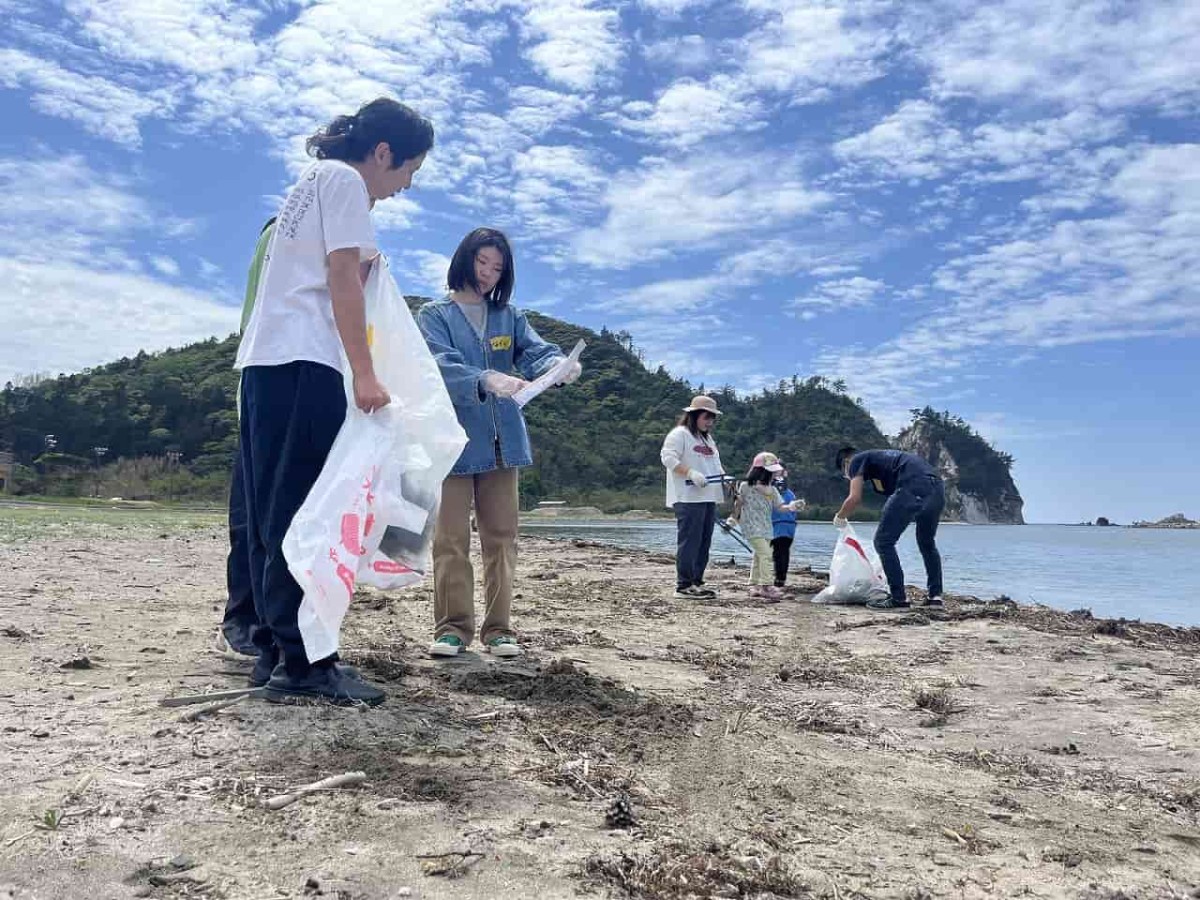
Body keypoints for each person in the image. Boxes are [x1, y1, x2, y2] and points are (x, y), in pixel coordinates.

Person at [235, 97, 434, 704]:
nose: (404, 187)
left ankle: (273, 650)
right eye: (407, 171)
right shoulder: (344, 180)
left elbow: (335, 273)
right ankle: (303, 665)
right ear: (381, 153)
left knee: (272, 510)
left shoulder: (309, 184)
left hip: (266, 365)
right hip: (304, 363)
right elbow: (342, 277)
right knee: (302, 509)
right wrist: (367, 375)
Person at [417, 227, 580, 659]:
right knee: (450, 538)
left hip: (501, 444)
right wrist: (485, 378)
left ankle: (499, 629)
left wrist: (559, 366)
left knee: (502, 537)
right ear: (463, 259)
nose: (488, 274)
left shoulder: (509, 316)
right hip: (451, 443)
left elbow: (536, 351)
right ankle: (452, 628)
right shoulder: (434, 314)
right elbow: (438, 364)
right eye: (481, 263)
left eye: (497, 267)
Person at [215, 217, 276, 662]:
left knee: (279, 522)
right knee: (252, 520)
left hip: (294, 395)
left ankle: (273, 624)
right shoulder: (283, 232)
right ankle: (241, 623)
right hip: (267, 392)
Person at [833, 447, 945, 610]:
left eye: (845, 472)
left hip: (913, 484)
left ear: (846, 462)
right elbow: (893, 499)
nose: (848, 476)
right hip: (937, 489)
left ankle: (899, 598)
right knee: (926, 542)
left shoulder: (856, 460)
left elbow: (854, 498)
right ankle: (935, 598)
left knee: (883, 542)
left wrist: (840, 517)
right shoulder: (881, 463)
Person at [661, 396, 726, 599]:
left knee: (703, 542)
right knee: (690, 542)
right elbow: (668, 457)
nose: (710, 422)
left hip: (709, 497)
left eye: (712, 419)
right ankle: (684, 585)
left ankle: (697, 581)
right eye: (707, 417)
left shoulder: (707, 439)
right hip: (688, 498)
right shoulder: (680, 434)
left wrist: (727, 480)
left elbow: (715, 465)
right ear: (694, 415)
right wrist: (690, 473)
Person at [727, 451, 804, 599]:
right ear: (761, 472)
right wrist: (733, 519)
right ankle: (767, 586)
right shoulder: (745, 486)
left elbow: (780, 507)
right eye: (772, 472)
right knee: (766, 554)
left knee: (759, 555)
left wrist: (792, 506)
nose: (775, 475)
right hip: (751, 526)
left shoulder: (772, 490)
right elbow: (739, 505)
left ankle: (754, 585)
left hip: (766, 527)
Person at [770, 465, 798, 589]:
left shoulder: (772, 493)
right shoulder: (791, 495)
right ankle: (781, 578)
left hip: (778, 525)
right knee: (783, 552)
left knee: (778, 553)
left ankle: (779, 578)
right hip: (789, 527)